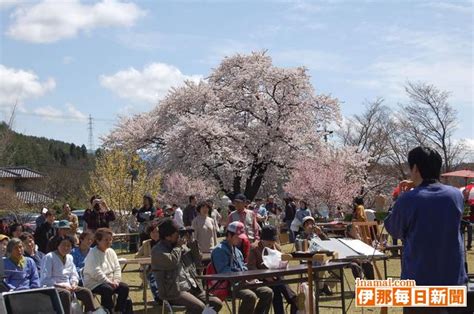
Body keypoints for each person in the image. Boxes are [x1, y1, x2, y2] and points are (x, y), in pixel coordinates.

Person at [384, 147, 467, 292]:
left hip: (420, 279)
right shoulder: (456, 195)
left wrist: (400, 197)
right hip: (454, 279)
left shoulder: (408, 199)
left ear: (415, 168)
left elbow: (395, 230)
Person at [152, 218, 223, 313]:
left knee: (216, 303)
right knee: (199, 307)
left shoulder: (179, 246)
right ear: (167, 237)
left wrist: (192, 242)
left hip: (192, 287)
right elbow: (172, 262)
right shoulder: (158, 250)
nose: (179, 236)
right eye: (176, 234)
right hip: (173, 290)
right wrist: (178, 247)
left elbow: (198, 261)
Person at [212, 221, 273, 314]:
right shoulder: (219, 250)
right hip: (228, 285)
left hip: (242, 282)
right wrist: (244, 278)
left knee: (268, 292)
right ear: (229, 235)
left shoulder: (237, 250)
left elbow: (244, 267)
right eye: (237, 237)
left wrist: (250, 278)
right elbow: (224, 272)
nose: (240, 240)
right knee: (250, 296)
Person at [248, 225, 298, 314]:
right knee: (277, 289)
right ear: (262, 239)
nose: (271, 242)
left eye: (273, 240)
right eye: (269, 240)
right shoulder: (254, 248)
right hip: (261, 279)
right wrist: (265, 277)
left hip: (276, 277)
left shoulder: (276, 247)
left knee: (278, 286)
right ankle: (292, 298)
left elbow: (282, 261)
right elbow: (252, 267)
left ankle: (293, 300)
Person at [41, 235, 97, 313]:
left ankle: (90, 312)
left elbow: (74, 274)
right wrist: (61, 285)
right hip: (54, 287)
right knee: (66, 293)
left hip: (69, 286)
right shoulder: (49, 257)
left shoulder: (70, 257)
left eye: (69, 246)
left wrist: (74, 283)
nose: (66, 248)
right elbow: (45, 279)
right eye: (63, 245)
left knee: (86, 292)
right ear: (58, 245)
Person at [83, 228, 130, 313]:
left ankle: (119, 310)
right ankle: (108, 311)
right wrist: (108, 282)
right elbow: (96, 272)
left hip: (111, 281)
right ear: (98, 240)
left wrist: (116, 280)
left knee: (124, 287)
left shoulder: (111, 251)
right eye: (106, 240)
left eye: (110, 240)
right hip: (94, 283)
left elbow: (117, 268)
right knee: (107, 289)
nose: (109, 242)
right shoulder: (93, 253)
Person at [295, 216, 333, 295]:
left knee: (337, 268)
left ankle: (323, 286)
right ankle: (320, 288)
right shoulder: (300, 236)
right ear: (304, 226)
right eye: (308, 223)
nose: (311, 225)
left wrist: (321, 234)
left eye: (312, 223)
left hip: (323, 258)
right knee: (321, 264)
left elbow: (329, 244)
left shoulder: (317, 235)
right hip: (309, 261)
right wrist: (307, 237)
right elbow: (299, 249)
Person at [135, 223, 159, 289]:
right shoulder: (146, 243)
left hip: (160, 267)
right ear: (149, 233)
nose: (155, 234)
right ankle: (146, 283)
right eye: (152, 232)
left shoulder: (163, 243)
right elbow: (136, 256)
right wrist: (147, 257)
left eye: (156, 232)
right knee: (145, 268)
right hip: (148, 267)